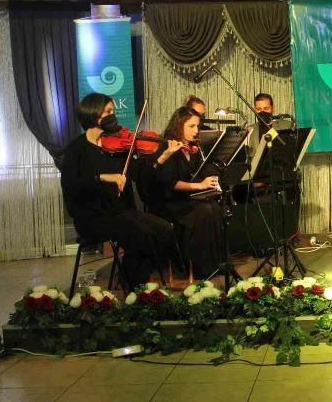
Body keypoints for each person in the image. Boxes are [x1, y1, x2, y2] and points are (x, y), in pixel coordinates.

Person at [60, 93, 173, 289]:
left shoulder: (116, 146)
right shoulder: (76, 149)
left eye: (113, 111)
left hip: (120, 211)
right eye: (108, 111)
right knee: (140, 232)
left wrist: (162, 157)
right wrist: (103, 177)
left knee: (164, 230)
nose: (114, 116)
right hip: (92, 217)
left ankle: (132, 278)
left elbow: (140, 173)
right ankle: (135, 286)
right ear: (93, 113)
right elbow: (71, 185)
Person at [154, 106, 224, 278]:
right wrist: (199, 186)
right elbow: (171, 183)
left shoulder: (193, 148)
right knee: (203, 211)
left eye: (197, 126)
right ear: (179, 126)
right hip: (172, 202)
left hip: (188, 197)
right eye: (191, 126)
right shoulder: (168, 148)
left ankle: (216, 263)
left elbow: (199, 173)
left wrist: (211, 180)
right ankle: (196, 267)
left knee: (215, 207)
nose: (196, 131)